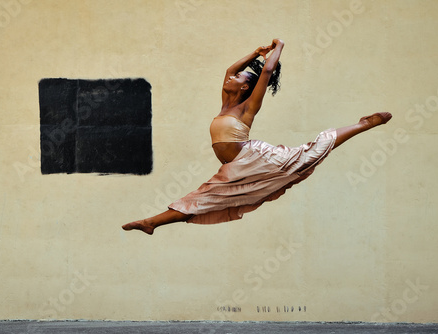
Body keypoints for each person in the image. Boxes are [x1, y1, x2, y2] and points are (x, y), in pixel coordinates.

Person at [122, 38, 392, 235]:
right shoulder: (226, 103)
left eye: (239, 76)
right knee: (203, 198)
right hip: (235, 168)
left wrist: (278, 48)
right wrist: (256, 52)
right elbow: (229, 70)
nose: (232, 77)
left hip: (255, 157)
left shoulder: (247, 107)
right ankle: (151, 223)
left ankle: (363, 124)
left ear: (247, 86)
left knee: (310, 153)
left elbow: (266, 71)